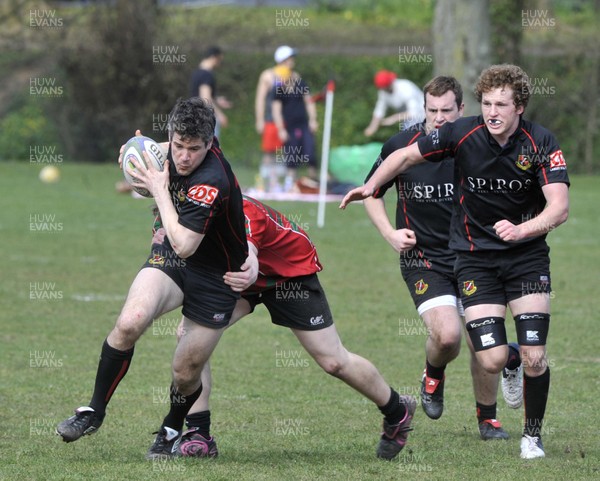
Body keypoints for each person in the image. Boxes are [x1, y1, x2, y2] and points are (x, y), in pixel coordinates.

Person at [341, 64, 570, 459]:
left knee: (531, 355)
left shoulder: (540, 142)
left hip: (524, 258)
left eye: (502, 104)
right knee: (479, 351)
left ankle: (525, 434)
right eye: (487, 104)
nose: (493, 111)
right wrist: (373, 187)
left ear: (520, 107)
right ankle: (465, 369)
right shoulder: (459, 134)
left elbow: (559, 207)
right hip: (463, 259)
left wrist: (524, 229)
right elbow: (402, 157)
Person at [146, 195, 416, 461]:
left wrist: (245, 271)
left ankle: (396, 409)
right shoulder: (171, 215)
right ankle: (198, 434)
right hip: (234, 279)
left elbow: (249, 258)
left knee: (333, 361)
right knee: (189, 335)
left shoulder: (242, 211)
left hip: (287, 274)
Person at [56, 97, 252, 448]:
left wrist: (160, 189)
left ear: (210, 144)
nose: (183, 157)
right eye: (178, 145)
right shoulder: (175, 148)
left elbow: (185, 244)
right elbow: (158, 151)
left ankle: (172, 427)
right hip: (172, 262)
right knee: (131, 320)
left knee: (185, 370)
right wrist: (137, 149)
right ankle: (93, 411)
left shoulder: (213, 179)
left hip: (218, 274)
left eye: (194, 149)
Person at [362, 75, 520, 440]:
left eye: (446, 111)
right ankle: (433, 373)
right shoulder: (402, 145)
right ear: (423, 109)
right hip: (424, 258)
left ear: (461, 109)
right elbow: (371, 192)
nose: (438, 118)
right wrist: (389, 233)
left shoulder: (478, 144)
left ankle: (487, 418)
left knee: (482, 345)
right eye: (431, 110)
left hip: (473, 256)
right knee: (447, 336)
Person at [271, 48, 319, 192]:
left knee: (310, 153)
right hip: (289, 126)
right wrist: (281, 129)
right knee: (292, 155)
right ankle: (290, 184)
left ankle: (313, 183)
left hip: (303, 124)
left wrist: (313, 119)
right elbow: (276, 110)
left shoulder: (300, 84)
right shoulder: (278, 89)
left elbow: (309, 101)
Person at [254, 46, 295, 192]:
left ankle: (287, 183)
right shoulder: (268, 75)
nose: (293, 61)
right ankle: (270, 182)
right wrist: (259, 119)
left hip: (288, 121)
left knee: (287, 152)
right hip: (271, 120)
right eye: (290, 58)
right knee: (270, 152)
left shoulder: (294, 76)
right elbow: (260, 98)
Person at [364, 71, 425, 137]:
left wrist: (393, 119)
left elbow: (414, 113)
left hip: (423, 115)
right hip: (407, 120)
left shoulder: (405, 88)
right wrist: (372, 127)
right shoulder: (383, 92)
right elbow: (379, 110)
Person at [189, 46, 232, 138]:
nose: (219, 63)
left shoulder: (197, 73)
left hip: (195, 115)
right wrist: (220, 115)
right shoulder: (207, 74)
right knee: (211, 147)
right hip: (206, 118)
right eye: (219, 59)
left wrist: (217, 100)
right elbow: (205, 98)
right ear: (214, 57)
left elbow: (199, 95)